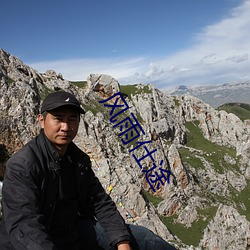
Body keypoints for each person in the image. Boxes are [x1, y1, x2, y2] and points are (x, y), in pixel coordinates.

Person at [0, 91, 176, 250]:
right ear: (41, 120)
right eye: (58, 118)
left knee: (144, 239)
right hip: (28, 242)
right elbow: (25, 225)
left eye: (72, 119)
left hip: (70, 232)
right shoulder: (22, 165)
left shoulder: (78, 160)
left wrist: (122, 241)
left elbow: (100, 203)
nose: (66, 127)